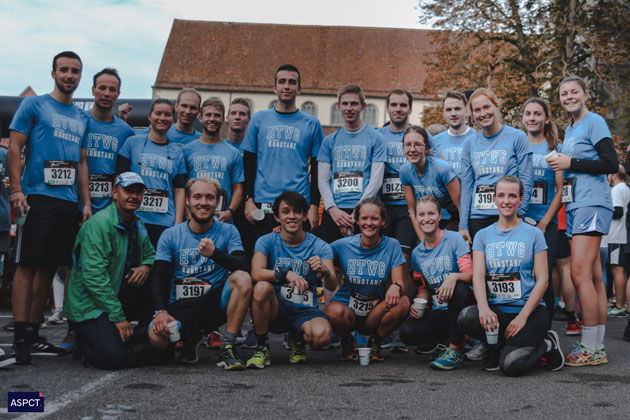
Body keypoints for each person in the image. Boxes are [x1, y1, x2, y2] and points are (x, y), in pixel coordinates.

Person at [9, 51, 91, 364]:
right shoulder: (33, 105)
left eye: (75, 71)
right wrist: (16, 190)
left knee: (47, 266)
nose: (70, 76)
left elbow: (82, 162)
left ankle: (32, 332)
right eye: (64, 70)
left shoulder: (82, 117)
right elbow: (15, 147)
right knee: (27, 265)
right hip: (36, 196)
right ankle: (18, 335)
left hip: (67, 202)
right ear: (54, 73)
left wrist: (84, 203)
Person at [63, 172, 172, 370]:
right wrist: (118, 317)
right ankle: (89, 342)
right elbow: (94, 278)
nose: (134, 196)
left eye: (138, 192)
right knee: (113, 359)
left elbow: (151, 254)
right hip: (91, 305)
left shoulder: (137, 223)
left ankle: (128, 341)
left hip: (118, 295)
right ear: (115, 193)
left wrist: (145, 267)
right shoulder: (98, 224)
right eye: (128, 191)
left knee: (160, 276)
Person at [458, 176, 564, 376]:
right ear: (494, 199)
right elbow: (479, 277)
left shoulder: (534, 234)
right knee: (466, 317)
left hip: (530, 313)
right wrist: (483, 309)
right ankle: (497, 347)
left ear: (521, 200)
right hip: (499, 311)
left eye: (512, 196)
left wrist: (523, 317)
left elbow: (543, 280)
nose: (506, 201)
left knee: (511, 366)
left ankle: (547, 344)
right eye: (501, 195)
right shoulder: (482, 235)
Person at [547, 76, 619, 366]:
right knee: (595, 277)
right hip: (578, 205)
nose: (569, 97)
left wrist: (570, 163)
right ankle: (596, 345)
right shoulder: (571, 128)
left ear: (585, 94)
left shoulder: (594, 121)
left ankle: (590, 348)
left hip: (592, 203)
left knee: (579, 275)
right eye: (564, 94)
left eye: (574, 92)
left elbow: (610, 163)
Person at [148, 177, 251, 369]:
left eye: (209, 198)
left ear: (217, 202)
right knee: (157, 338)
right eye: (197, 197)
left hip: (213, 305)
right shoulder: (171, 234)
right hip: (180, 305)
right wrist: (160, 312)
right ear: (187, 200)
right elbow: (159, 275)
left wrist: (215, 254)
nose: (203, 202)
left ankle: (227, 346)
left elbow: (243, 266)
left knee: (242, 278)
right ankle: (190, 337)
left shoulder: (229, 231)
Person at [246, 191, 337, 368]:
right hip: (276, 308)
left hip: (304, 309)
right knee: (261, 287)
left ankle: (298, 338)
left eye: (297, 211)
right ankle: (262, 347)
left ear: (304, 215)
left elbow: (332, 285)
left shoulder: (320, 245)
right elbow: (255, 273)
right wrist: (285, 273)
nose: (291, 216)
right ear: (277, 217)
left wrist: (325, 271)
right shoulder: (266, 241)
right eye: (286, 212)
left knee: (322, 337)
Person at [241, 64, 323, 257]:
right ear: (275, 87)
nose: (287, 86)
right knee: (261, 260)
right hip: (263, 204)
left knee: (297, 260)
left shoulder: (312, 123)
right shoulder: (259, 120)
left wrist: (313, 206)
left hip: (298, 205)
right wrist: (248, 199)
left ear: (299, 89)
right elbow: (249, 161)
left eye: (292, 82)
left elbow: (318, 167)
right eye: (282, 82)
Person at [324, 198, 409, 361]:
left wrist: (396, 286)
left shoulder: (392, 245)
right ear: (356, 220)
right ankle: (347, 340)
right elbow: (317, 248)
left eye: (374, 218)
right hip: (346, 310)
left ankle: (375, 340)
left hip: (375, 312)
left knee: (403, 302)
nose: (369, 223)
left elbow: (399, 281)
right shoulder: (342, 245)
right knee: (332, 311)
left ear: (383, 221)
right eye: (364, 218)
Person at [399, 196, 475, 370]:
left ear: (440, 216)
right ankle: (447, 341)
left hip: (464, 304)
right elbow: (423, 289)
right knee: (407, 332)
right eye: (422, 214)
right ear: (416, 219)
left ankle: (455, 350)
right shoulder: (417, 253)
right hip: (441, 310)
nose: (427, 219)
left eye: (431, 213)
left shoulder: (454, 239)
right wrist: (420, 305)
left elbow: (471, 275)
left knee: (459, 288)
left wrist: (453, 277)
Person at [459, 88, 533, 243]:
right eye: (477, 110)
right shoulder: (469, 144)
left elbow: (526, 179)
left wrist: (520, 213)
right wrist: (463, 224)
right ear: (472, 115)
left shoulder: (517, 137)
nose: (483, 113)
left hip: (508, 212)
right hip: (478, 217)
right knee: (481, 265)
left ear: (496, 107)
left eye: (486, 107)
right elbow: (466, 186)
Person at [317, 84, 386, 243]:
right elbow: (323, 179)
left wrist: (359, 210)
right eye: (345, 104)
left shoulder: (376, 139)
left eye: (354, 103)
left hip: (365, 211)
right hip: (335, 210)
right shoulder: (329, 141)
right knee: (330, 261)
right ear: (339, 106)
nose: (349, 108)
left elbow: (376, 180)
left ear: (363, 106)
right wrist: (332, 209)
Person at [117, 98, 186, 247]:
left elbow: (179, 191)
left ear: (173, 119)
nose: (162, 118)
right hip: (134, 218)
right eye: (158, 113)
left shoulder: (177, 153)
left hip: (165, 223)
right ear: (150, 116)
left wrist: (178, 224)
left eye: (167, 114)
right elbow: (119, 179)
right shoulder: (132, 143)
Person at [522, 98, 564, 327]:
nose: (532, 118)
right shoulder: (519, 144)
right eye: (528, 114)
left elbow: (560, 191)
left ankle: (544, 330)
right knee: (523, 274)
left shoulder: (554, 148)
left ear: (546, 118)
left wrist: (544, 223)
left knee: (543, 277)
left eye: (537, 114)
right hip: (521, 222)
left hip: (546, 223)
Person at [182, 98, 244, 223]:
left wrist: (230, 211)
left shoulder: (234, 153)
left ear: (223, 119)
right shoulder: (186, 150)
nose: (212, 119)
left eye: (217, 116)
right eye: (208, 115)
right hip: (193, 219)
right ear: (200, 117)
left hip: (222, 220)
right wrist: (187, 213)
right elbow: (180, 188)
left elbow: (238, 188)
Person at [85, 68, 135, 214]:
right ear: (93, 90)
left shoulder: (126, 132)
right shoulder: (79, 121)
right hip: (77, 206)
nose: (107, 93)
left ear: (118, 94)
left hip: (109, 210)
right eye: (102, 88)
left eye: (112, 89)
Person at [400, 126, 460, 238]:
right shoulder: (405, 171)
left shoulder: (442, 169)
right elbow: (412, 211)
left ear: (427, 148)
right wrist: (423, 241)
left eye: (418, 144)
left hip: (452, 217)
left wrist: (463, 230)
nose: (412, 149)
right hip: (427, 219)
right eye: (407, 145)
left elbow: (460, 205)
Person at [432, 91, 476, 178]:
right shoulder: (435, 142)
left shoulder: (478, 137)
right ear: (444, 113)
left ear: (466, 111)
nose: (453, 114)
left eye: (457, 109)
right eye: (449, 110)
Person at [606, 165, 630, 318]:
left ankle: (620, 304)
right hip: (624, 235)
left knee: (617, 269)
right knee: (622, 269)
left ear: (614, 175)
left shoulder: (616, 190)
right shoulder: (627, 188)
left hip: (617, 235)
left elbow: (618, 210)